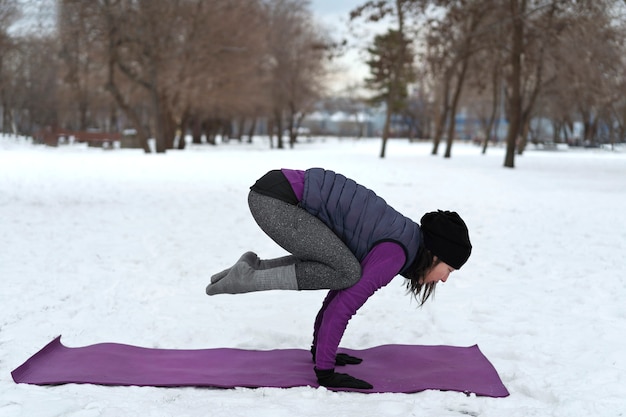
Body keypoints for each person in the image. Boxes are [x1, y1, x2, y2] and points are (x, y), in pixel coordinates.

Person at [206, 168, 472, 390]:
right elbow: (343, 306)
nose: (445, 279)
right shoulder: (395, 253)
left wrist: (320, 349)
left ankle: (249, 271)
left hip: (278, 194)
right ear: (435, 255)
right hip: (278, 201)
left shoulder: (404, 241)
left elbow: (340, 292)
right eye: (449, 270)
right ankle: (249, 278)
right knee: (347, 271)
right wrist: (325, 370)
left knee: (344, 269)